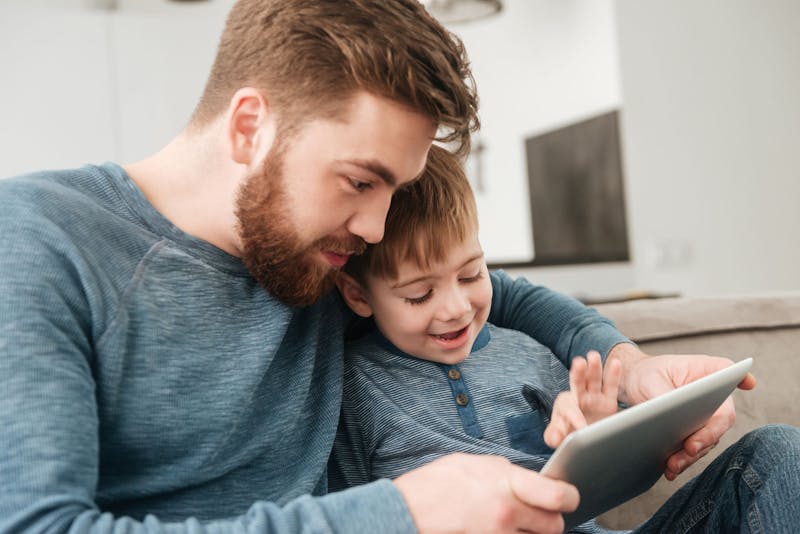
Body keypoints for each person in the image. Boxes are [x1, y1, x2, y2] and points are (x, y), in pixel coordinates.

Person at [0, 0, 786, 532]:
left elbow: (503, 295)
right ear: (250, 127)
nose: (376, 226)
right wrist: (403, 513)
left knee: (775, 464)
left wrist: (624, 362)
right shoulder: (42, 239)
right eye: (360, 180)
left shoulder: (328, 254)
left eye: (396, 190)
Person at [331, 145, 800, 533]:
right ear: (358, 295)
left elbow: (593, 476)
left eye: (472, 274)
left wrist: (605, 432)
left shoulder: (527, 350)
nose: (456, 307)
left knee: (777, 451)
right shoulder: (353, 388)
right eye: (419, 294)